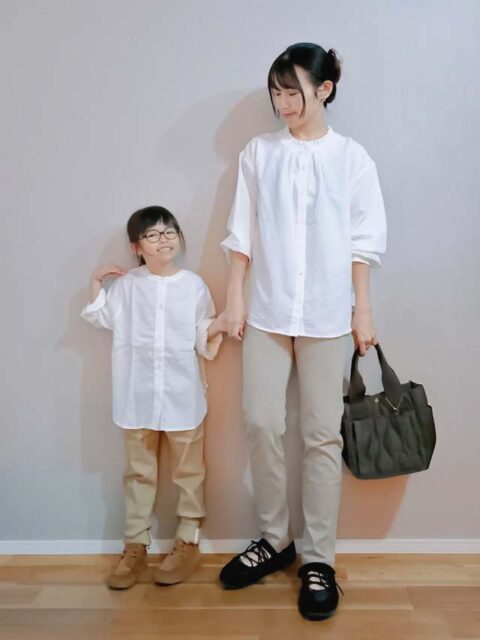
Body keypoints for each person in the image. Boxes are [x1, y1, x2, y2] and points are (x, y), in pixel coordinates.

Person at [218, 43, 387, 620]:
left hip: (326, 314)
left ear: (325, 89)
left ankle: (318, 559)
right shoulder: (258, 153)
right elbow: (242, 233)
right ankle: (274, 539)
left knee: (321, 435)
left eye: (293, 92)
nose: (283, 104)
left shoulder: (352, 159)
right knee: (261, 422)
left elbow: (363, 243)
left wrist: (362, 310)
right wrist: (234, 297)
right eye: (276, 93)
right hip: (266, 311)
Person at [80, 205, 226, 589]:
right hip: (137, 396)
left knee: (189, 472)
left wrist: (220, 325)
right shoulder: (127, 287)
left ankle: (188, 539)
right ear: (137, 246)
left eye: (170, 231)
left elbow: (203, 332)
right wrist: (96, 282)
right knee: (138, 473)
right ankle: (135, 544)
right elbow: (102, 318)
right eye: (153, 234)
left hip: (183, 395)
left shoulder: (193, 286)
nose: (164, 239)